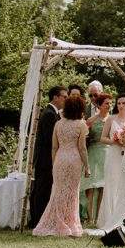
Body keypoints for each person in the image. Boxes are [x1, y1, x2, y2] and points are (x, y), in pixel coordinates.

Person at [32, 95, 90, 237]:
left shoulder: (58, 124)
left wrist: (54, 164)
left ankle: (57, 221)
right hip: (74, 160)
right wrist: (87, 166)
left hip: (60, 159)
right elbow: (82, 148)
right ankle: (70, 222)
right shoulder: (81, 125)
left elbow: (54, 147)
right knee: (72, 192)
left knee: (57, 191)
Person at [25, 85, 65, 229]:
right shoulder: (49, 114)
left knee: (42, 190)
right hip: (45, 159)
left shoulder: (53, 113)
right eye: (64, 97)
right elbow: (50, 139)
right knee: (42, 191)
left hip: (46, 159)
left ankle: (38, 220)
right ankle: (37, 221)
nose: (65, 100)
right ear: (55, 97)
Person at [93, 93, 125, 232]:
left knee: (124, 185)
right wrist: (114, 141)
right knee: (111, 185)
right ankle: (109, 218)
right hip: (113, 155)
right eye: (118, 103)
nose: (120, 106)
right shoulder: (111, 118)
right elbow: (103, 138)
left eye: (123, 103)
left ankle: (123, 217)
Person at [81, 84, 112, 225]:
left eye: (110, 104)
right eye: (106, 104)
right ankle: (89, 217)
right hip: (94, 153)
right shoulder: (91, 120)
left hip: (107, 154)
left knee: (103, 187)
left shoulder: (112, 120)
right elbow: (82, 135)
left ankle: (99, 216)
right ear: (99, 105)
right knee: (91, 186)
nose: (109, 106)